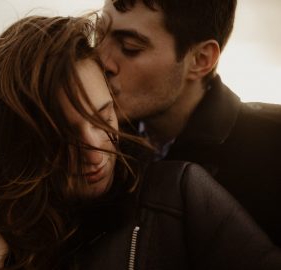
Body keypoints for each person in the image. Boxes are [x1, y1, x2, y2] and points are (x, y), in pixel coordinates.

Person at [0, 14, 281, 269]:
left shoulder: (180, 195)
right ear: (18, 142)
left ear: (201, 60)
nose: (94, 150)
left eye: (103, 116)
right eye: (62, 135)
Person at [99, 0, 281, 246]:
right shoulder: (86, 138)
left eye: (130, 47)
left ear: (201, 59)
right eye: (98, 34)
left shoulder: (272, 149)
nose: (101, 59)